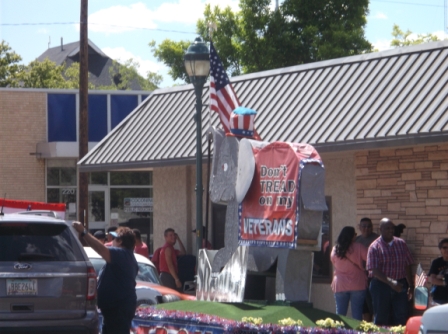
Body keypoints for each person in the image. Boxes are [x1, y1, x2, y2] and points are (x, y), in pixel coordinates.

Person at [73, 222, 138, 334]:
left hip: (118, 308)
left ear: (120, 241)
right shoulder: (126, 257)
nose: (111, 241)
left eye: (114, 238)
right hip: (115, 308)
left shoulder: (121, 254)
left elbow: (100, 248)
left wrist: (83, 232)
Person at [367, 218, 414, 326]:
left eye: (392, 228)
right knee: (381, 317)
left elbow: (407, 264)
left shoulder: (401, 244)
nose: (391, 230)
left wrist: (410, 285)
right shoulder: (374, 247)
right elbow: (374, 270)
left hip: (400, 285)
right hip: (381, 286)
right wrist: (391, 282)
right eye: (387, 228)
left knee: (401, 317)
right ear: (381, 229)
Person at [330, 226, 368, 320]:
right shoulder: (359, 247)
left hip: (340, 283)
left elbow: (333, 261)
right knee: (357, 314)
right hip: (358, 282)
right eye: (354, 234)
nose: (356, 236)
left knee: (340, 314)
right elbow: (370, 259)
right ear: (351, 236)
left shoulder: (335, 249)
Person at [355, 217, 378, 321]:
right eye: (364, 226)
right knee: (364, 307)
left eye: (369, 226)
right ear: (359, 227)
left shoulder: (377, 239)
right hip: (360, 278)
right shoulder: (356, 241)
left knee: (375, 305)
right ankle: (367, 328)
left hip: (375, 277)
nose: (366, 228)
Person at [428, 238, 448, 304]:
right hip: (439, 298)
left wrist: (440, 278)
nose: (447, 250)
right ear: (440, 250)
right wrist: (445, 282)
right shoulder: (436, 262)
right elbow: (432, 279)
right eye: (444, 248)